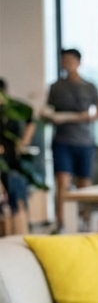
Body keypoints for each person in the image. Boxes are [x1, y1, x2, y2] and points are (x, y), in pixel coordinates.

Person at [42, 48, 98, 232]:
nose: (66, 63)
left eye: (69, 60)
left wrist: (76, 117)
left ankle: (86, 220)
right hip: (62, 140)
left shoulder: (90, 86)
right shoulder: (55, 87)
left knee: (84, 183)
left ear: (78, 62)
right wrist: (52, 116)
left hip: (84, 141)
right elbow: (48, 111)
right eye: (63, 60)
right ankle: (61, 222)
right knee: (62, 182)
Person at [0, 79, 37, 236]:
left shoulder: (13, 108)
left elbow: (31, 120)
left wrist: (23, 142)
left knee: (16, 193)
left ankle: (20, 229)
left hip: (12, 157)